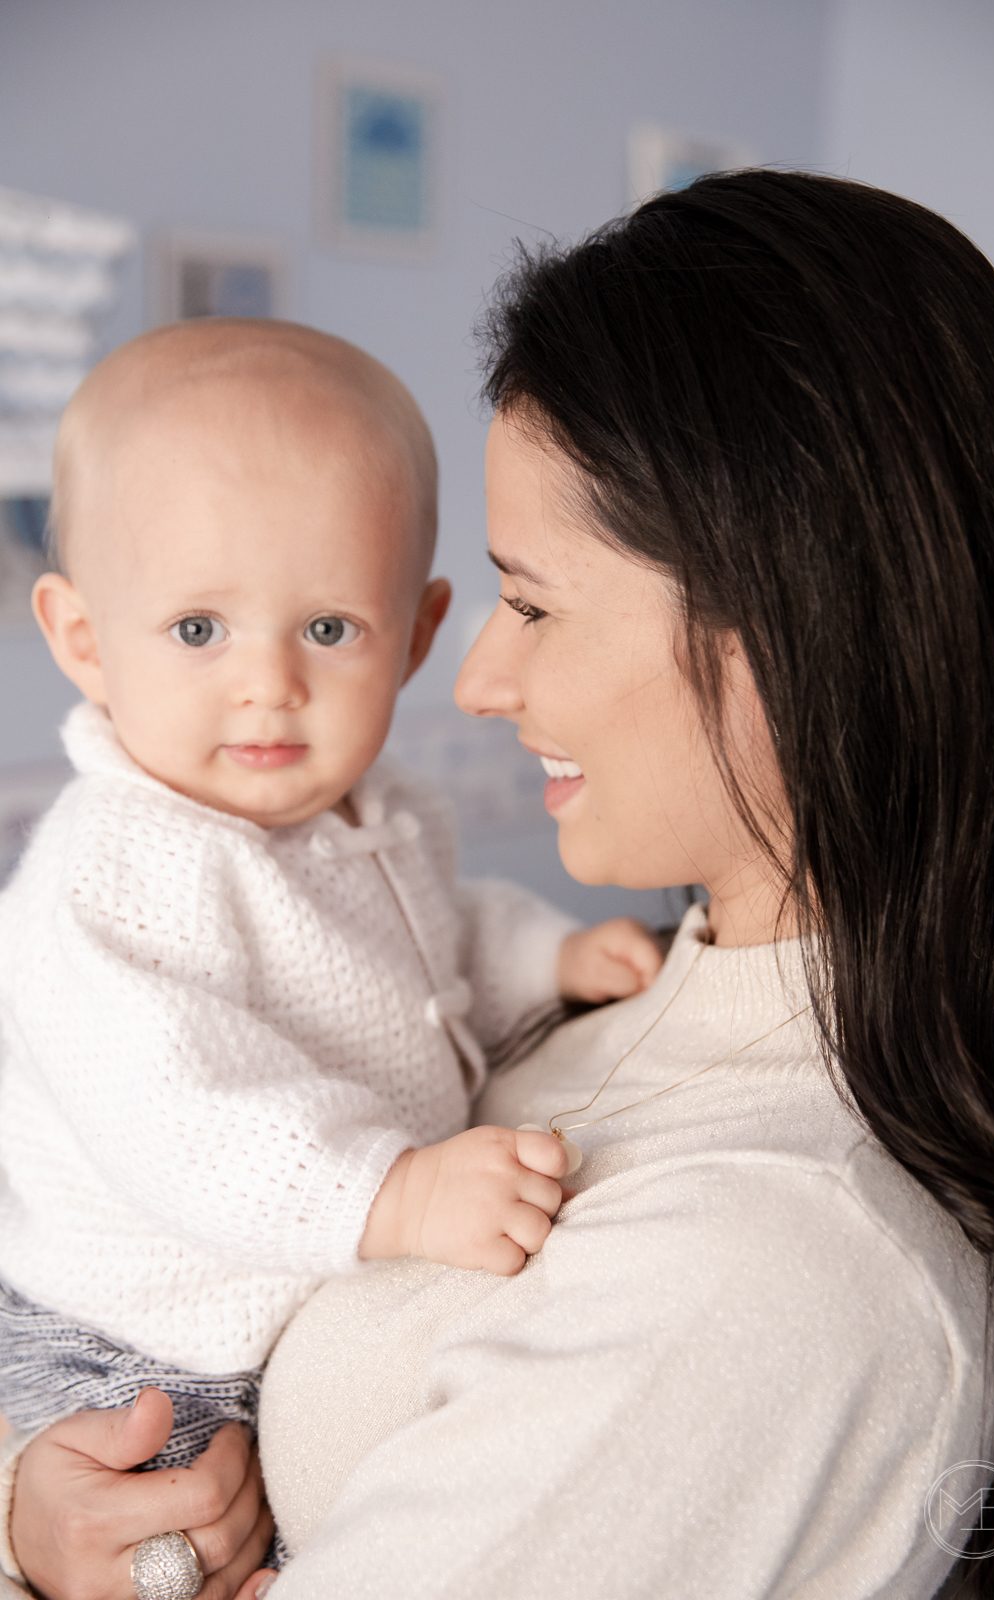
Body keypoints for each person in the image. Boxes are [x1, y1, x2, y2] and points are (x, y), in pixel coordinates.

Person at [7, 168, 994, 1600]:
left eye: (528, 601)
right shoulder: (654, 991)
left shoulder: (763, 1266)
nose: (477, 682)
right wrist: (31, 1520)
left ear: (789, 622)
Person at [0, 318, 664, 1583]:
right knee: (178, 1537)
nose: (268, 684)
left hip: (291, 1293)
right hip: (141, 1339)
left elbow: (435, 945)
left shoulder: (376, 809)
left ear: (413, 634)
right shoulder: (115, 871)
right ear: (83, 638)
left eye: (326, 630)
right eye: (199, 630)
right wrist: (392, 1194)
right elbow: (182, 1115)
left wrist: (548, 958)